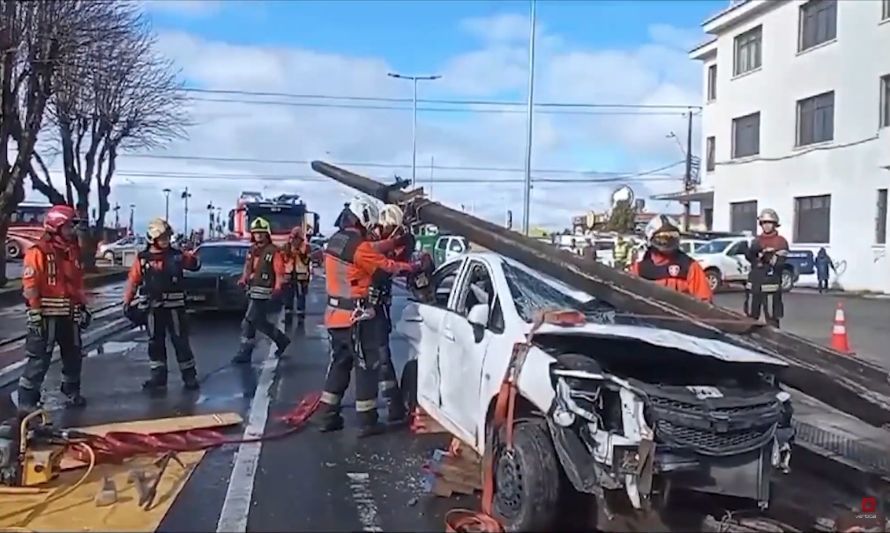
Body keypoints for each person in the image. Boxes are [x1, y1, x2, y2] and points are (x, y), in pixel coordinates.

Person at [312, 196, 419, 437]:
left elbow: (370, 250)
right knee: (366, 367)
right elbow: (386, 267)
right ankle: (368, 420)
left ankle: (327, 416)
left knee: (340, 365)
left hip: (335, 317)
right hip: (357, 319)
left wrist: (394, 241)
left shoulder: (336, 241)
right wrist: (415, 266)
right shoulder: (359, 247)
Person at [17, 205, 91, 413]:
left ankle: (71, 390)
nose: (72, 230)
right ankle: (27, 402)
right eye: (68, 226)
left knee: (74, 355)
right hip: (46, 316)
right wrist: (34, 312)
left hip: (69, 314)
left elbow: (77, 284)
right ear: (56, 226)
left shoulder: (72, 252)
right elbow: (30, 285)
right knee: (39, 359)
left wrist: (82, 306)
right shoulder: (38, 252)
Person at [123, 218, 201, 391]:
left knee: (181, 342)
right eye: (162, 237)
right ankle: (158, 378)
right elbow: (133, 281)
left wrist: (189, 256)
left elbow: (195, 265)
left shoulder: (176, 255)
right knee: (155, 343)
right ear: (153, 238)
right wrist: (127, 301)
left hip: (175, 308)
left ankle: (189, 377)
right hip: (153, 309)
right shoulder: (143, 259)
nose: (166, 241)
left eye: (167, 237)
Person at [368, 204, 415, 424]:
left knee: (375, 357)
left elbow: (399, 259)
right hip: (365, 308)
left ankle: (389, 407)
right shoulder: (369, 242)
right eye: (389, 229)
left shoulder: (393, 242)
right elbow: (387, 262)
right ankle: (391, 407)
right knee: (378, 357)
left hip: (375, 307)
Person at [232, 217, 291, 363]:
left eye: (261, 232)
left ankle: (245, 352)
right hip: (253, 289)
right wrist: (243, 279)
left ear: (267, 234)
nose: (258, 235)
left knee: (248, 321)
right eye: (256, 232)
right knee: (259, 322)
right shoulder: (253, 250)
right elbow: (248, 267)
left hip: (266, 291)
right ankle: (281, 340)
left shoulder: (273, 251)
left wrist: (278, 287)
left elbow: (279, 271)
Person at [630, 214, 712, 302]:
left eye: (671, 236)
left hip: (679, 315)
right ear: (650, 239)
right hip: (648, 315)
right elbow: (629, 297)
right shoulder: (639, 268)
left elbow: (705, 303)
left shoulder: (690, 267)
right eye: (662, 237)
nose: (667, 241)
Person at [745, 208, 789, 327]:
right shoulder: (756, 240)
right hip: (755, 285)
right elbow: (750, 259)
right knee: (751, 318)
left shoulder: (780, 242)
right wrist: (751, 253)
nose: (766, 226)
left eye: (769, 223)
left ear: (775, 224)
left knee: (772, 320)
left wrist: (768, 257)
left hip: (770, 286)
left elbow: (780, 263)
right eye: (764, 223)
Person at [282, 226, 311, 327]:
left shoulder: (306, 247)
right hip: (289, 275)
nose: (295, 240)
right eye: (293, 238)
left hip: (301, 277)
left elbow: (307, 261)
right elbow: (284, 259)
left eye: (297, 238)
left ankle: (300, 317)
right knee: (288, 297)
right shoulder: (286, 246)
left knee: (301, 297)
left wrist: (300, 253)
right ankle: (288, 316)